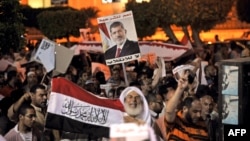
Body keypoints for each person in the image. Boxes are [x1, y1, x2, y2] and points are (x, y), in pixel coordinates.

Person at [163, 70, 209, 140]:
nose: (199, 115)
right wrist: (180, 88)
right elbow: (169, 111)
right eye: (195, 111)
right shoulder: (176, 120)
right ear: (185, 109)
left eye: (200, 111)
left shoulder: (202, 124)